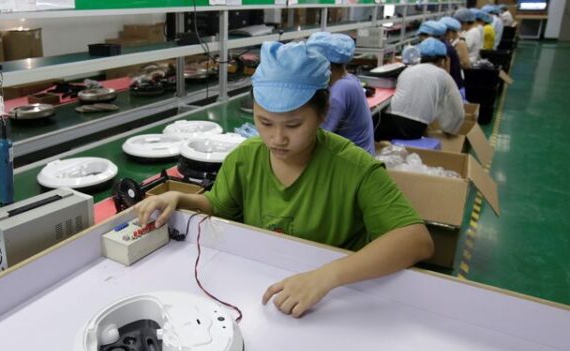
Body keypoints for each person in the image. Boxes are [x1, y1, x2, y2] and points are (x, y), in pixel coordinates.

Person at [135, 41, 433, 318]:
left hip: (335, 300)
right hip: (261, 292)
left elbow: (416, 241)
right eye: (264, 122)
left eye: (293, 124)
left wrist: (326, 276)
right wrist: (180, 198)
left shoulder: (353, 168)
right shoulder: (246, 157)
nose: (277, 138)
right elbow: (219, 205)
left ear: (323, 113)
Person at [375, 38, 465, 140]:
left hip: (389, 121)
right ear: (442, 60)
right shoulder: (444, 76)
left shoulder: (407, 70)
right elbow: (458, 112)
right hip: (414, 128)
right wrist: (449, 131)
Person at [305, 32, 375, 155]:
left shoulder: (340, 90)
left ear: (325, 64)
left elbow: (318, 136)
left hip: (353, 165)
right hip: (359, 156)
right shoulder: (350, 79)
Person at [417, 20, 464, 91]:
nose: (421, 40)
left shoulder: (442, 49)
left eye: (421, 37)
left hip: (451, 89)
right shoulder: (443, 45)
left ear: (429, 36)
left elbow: (444, 75)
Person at [440, 16, 467, 98]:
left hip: (454, 87)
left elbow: (446, 72)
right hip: (455, 85)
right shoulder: (449, 45)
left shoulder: (453, 45)